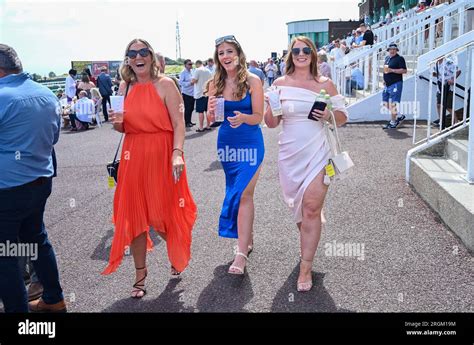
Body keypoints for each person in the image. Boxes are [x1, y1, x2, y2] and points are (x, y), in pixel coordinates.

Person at [103, 39, 197, 299]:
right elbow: (122, 128)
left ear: (151, 57)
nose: (138, 57)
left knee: (163, 214)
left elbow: (179, 124)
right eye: (132, 53)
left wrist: (177, 154)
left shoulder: (166, 84)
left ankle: (176, 249)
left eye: (143, 52)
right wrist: (116, 123)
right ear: (128, 60)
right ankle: (140, 275)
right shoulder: (125, 86)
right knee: (134, 216)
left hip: (163, 154)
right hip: (133, 156)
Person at [264, 36, 348, 292]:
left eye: (306, 50)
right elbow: (271, 123)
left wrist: (329, 114)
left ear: (313, 55)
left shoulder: (326, 84)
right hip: (290, 154)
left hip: (318, 152)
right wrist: (272, 106)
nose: (301, 54)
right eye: (296, 50)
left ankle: (306, 267)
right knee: (300, 210)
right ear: (290, 55)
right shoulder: (279, 84)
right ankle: (308, 240)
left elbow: (343, 118)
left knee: (311, 208)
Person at [0, 44, 66, 312]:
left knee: (5, 255)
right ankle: (54, 298)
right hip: (40, 182)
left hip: (7, 189)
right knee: (36, 239)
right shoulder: (46, 94)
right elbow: (53, 139)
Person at [207, 35, 264, 275]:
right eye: (221, 53)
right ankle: (246, 239)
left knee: (243, 194)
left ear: (239, 54)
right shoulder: (215, 84)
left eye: (229, 51)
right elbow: (214, 120)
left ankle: (240, 255)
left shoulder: (253, 80)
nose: (225, 56)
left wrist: (243, 118)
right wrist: (210, 113)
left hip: (250, 143)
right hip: (227, 144)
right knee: (237, 192)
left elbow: (259, 117)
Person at [382, 43, 407, 129]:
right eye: (390, 49)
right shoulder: (387, 58)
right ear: (388, 50)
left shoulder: (400, 59)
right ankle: (399, 115)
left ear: (396, 50)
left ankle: (393, 122)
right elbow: (385, 70)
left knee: (393, 104)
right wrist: (384, 80)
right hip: (387, 84)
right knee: (385, 102)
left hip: (396, 83)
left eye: (394, 49)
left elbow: (404, 70)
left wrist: (392, 70)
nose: (392, 51)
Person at [432, 56, 461, 127]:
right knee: (438, 105)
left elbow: (458, 71)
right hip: (440, 87)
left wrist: (453, 80)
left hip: (448, 87)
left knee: (448, 106)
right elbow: (437, 73)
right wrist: (435, 74)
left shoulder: (448, 62)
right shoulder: (436, 63)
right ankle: (441, 122)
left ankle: (456, 122)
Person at [191, 60, 213, 132]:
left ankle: (201, 127)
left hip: (199, 93)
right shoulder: (208, 71)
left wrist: (191, 81)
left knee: (200, 112)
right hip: (207, 93)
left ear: (197, 64)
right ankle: (208, 125)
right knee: (207, 111)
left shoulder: (197, 70)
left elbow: (194, 81)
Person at [179, 59, 196, 127]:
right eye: (189, 64)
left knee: (191, 108)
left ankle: (189, 121)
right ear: (185, 65)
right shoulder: (183, 72)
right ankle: (186, 122)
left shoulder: (192, 71)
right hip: (186, 93)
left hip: (192, 93)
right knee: (187, 108)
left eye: (191, 64)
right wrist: (189, 83)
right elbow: (181, 82)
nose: (191, 65)